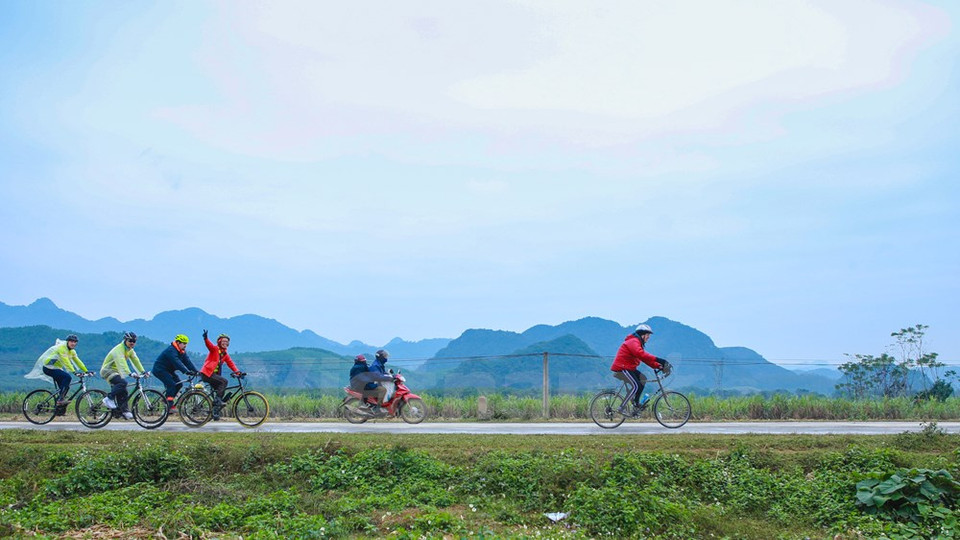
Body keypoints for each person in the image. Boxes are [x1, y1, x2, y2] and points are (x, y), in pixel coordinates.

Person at [610, 324, 671, 415]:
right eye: (648, 335)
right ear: (642, 334)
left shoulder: (637, 343)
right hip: (622, 367)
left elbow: (644, 359)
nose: (648, 337)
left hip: (628, 368)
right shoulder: (633, 341)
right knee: (636, 386)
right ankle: (621, 408)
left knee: (643, 379)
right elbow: (641, 354)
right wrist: (660, 360)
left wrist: (659, 366)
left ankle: (636, 403)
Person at [24, 334, 89, 406]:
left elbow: (78, 361)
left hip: (56, 368)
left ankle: (59, 408)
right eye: (71, 341)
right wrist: (74, 372)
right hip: (48, 368)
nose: (73, 343)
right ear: (67, 342)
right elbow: (66, 361)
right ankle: (60, 400)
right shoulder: (62, 348)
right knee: (67, 377)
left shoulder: (72, 351)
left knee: (65, 387)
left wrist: (86, 371)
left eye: (75, 342)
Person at [100, 331, 146, 419]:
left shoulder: (130, 350)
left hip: (117, 371)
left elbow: (136, 361)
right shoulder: (119, 349)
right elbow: (122, 363)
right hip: (108, 370)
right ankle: (108, 398)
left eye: (134, 341)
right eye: (130, 340)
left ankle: (123, 411)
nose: (132, 343)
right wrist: (130, 373)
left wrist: (143, 372)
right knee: (123, 383)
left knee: (124, 390)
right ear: (125, 340)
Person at [200, 330, 244, 420]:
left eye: (227, 342)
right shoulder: (215, 349)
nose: (225, 343)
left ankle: (214, 413)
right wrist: (206, 338)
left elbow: (231, 363)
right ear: (219, 342)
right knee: (224, 382)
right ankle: (217, 402)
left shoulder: (225, 354)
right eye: (223, 341)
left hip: (213, 375)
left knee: (221, 392)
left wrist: (238, 372)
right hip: (207, 373)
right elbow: (210, 346)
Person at [152, 334, 199, 412]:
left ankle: (166, 400)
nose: (185, 345)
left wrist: (196, 371)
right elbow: (176, 362)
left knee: (179, 384)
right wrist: (186, 371)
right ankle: (169, 405)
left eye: (186, 344)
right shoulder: (171, 350)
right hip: (160, 369)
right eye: (184, 343)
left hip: (168, 370)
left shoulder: (182, 352)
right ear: (178, 343)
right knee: (171, 384)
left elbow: (188, 362)